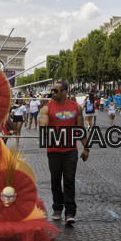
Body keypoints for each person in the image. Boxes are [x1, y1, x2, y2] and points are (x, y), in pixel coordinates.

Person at [39, 81, 89, 227]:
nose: (53, 93)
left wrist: (86, 148)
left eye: (56, 90)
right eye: (52, 90)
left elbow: (80, 129)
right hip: (53, 151)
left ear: (65, 92)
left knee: (69, 181)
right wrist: (45, 127)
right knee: (55, 181)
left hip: (70, 151)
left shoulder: (76, 108)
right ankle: (57, 208)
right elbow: (43, 126)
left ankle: (70, 213)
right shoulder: (47, 108)